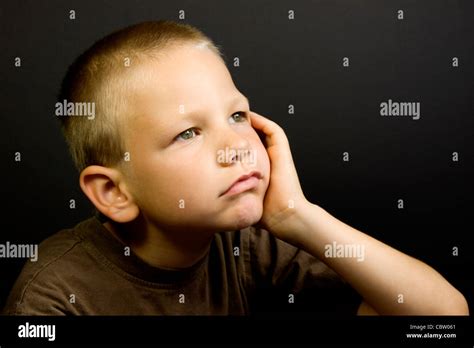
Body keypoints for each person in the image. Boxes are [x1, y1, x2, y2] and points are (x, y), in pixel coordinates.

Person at [3, 20, 468, 315]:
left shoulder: (250, 242)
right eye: (188, 133)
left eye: (237, 116)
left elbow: (443, 315)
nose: (236, 148)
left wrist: (298, 217)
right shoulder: (53, 297)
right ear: (113, 193)